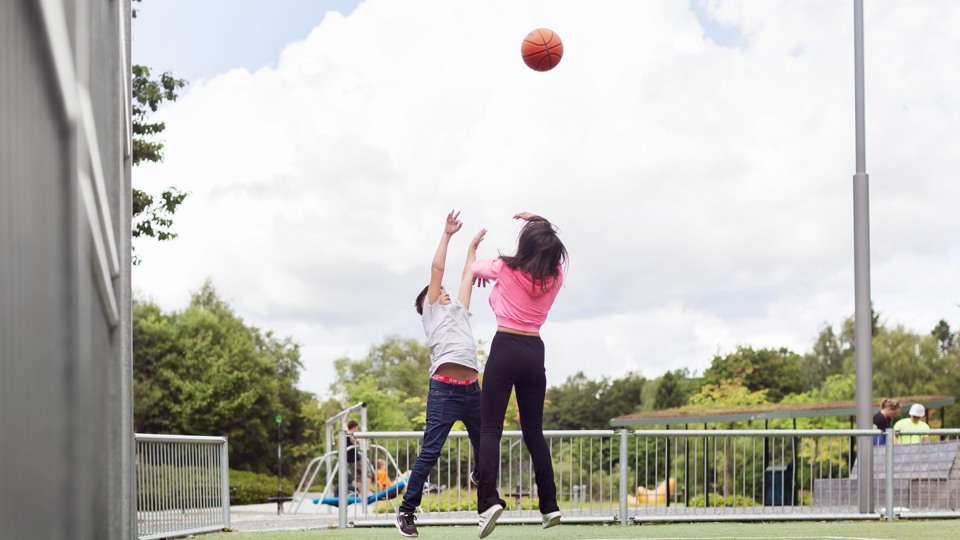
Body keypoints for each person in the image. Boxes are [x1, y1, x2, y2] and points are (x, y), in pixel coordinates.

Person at [471, 212, 567, 539]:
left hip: (505, 346)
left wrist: (472, 248)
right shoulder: (555, 275)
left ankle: (488, 502)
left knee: (489, 429)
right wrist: (539, 219)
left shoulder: (505, 268)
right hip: (534, 350)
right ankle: (549, 505)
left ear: (524, 244)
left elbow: (473, 269)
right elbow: (546, 242)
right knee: (534, 431)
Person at [395, 210, 486, 538]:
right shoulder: (433, 313)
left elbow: (466, 275)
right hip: (444, 391)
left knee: (486, 444)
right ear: (426, 305)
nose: (445, 291)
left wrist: (472, 247)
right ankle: (407, 511)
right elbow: (438, 270)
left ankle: (480, 478)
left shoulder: (459, 311)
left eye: (445, 291)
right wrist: (447, 234)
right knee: (431, 451)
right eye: (438, 291)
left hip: (472, 390)